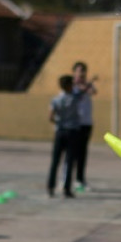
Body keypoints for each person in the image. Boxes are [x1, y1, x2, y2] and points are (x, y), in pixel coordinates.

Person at [47, 75, 86, 198]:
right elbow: (84, 91)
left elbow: (50, 117)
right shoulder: (75, 98)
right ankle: (67, 189)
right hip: (72, 132)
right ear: (69, 85)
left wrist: (59, 122)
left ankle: (50, 186)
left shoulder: (56, 100)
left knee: (55, 161)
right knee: (69, 161)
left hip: (60, 131)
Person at [71, 61, 98, 192]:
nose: (81, 73)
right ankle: (66, 179)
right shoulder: (71, 86)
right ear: (74, 72)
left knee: (83, 153)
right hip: (75, 124)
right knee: (72, 153)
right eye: (79, 70)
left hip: (86, 123)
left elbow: (93, 92)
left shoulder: (87, 85)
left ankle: (80, 179)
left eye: (83, 71)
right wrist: (81, 86)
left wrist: (86, 85)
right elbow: (74, 94)